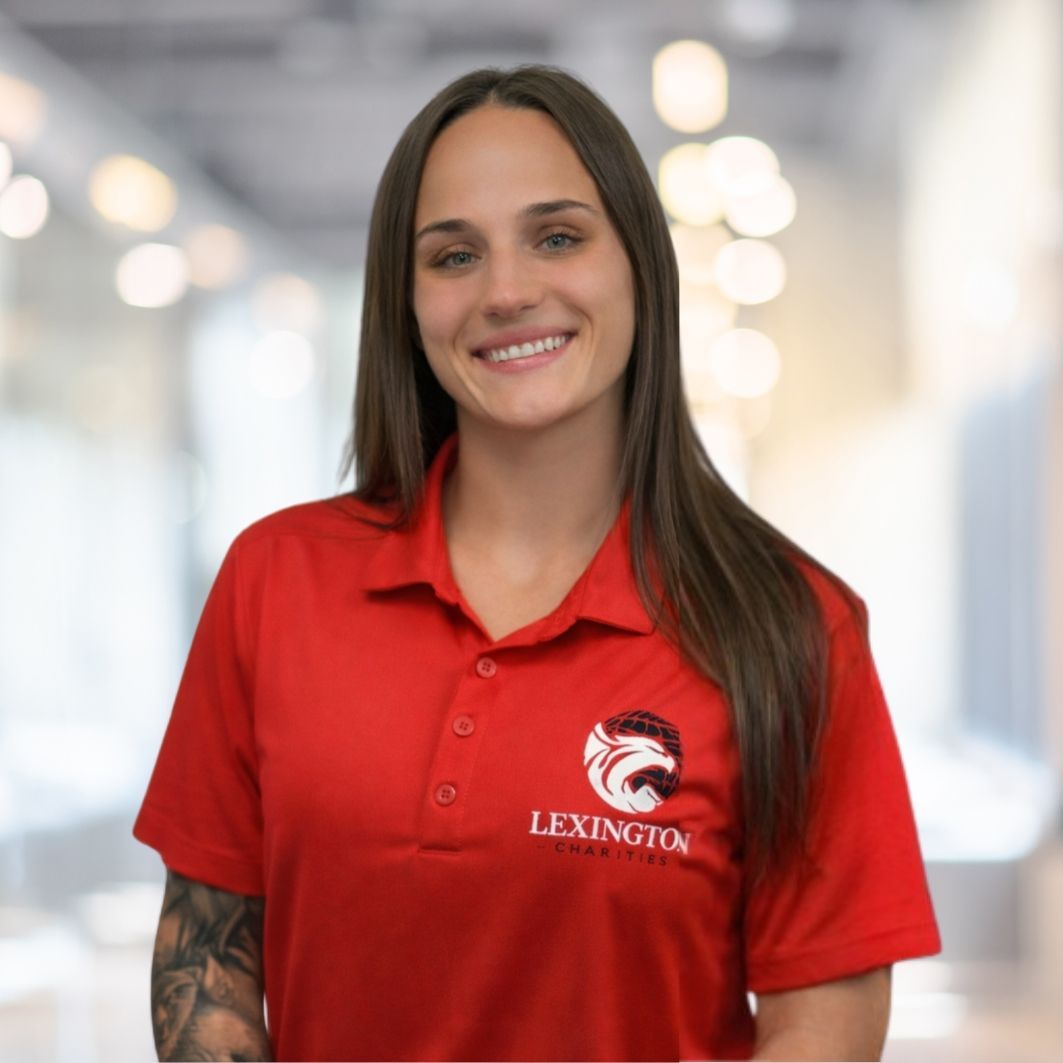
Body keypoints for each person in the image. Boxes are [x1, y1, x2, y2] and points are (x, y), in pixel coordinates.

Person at [135, 63, 941, 1062]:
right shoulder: (275, 580)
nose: (508, 292)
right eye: (453, 256)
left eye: (557, 237)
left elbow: (823, 1017)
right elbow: (207, 964)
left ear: (639, 263)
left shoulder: (788, 624)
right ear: (405, 301)